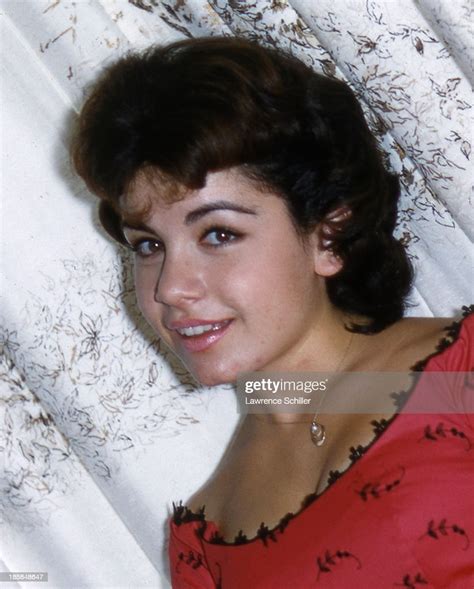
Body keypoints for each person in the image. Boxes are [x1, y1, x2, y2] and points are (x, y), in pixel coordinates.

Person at [71, 36, 473, 588]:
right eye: (149, 245)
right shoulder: (207, 542)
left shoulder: (462, 379)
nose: (170, 289)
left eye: (217, 233)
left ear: (328, 235)